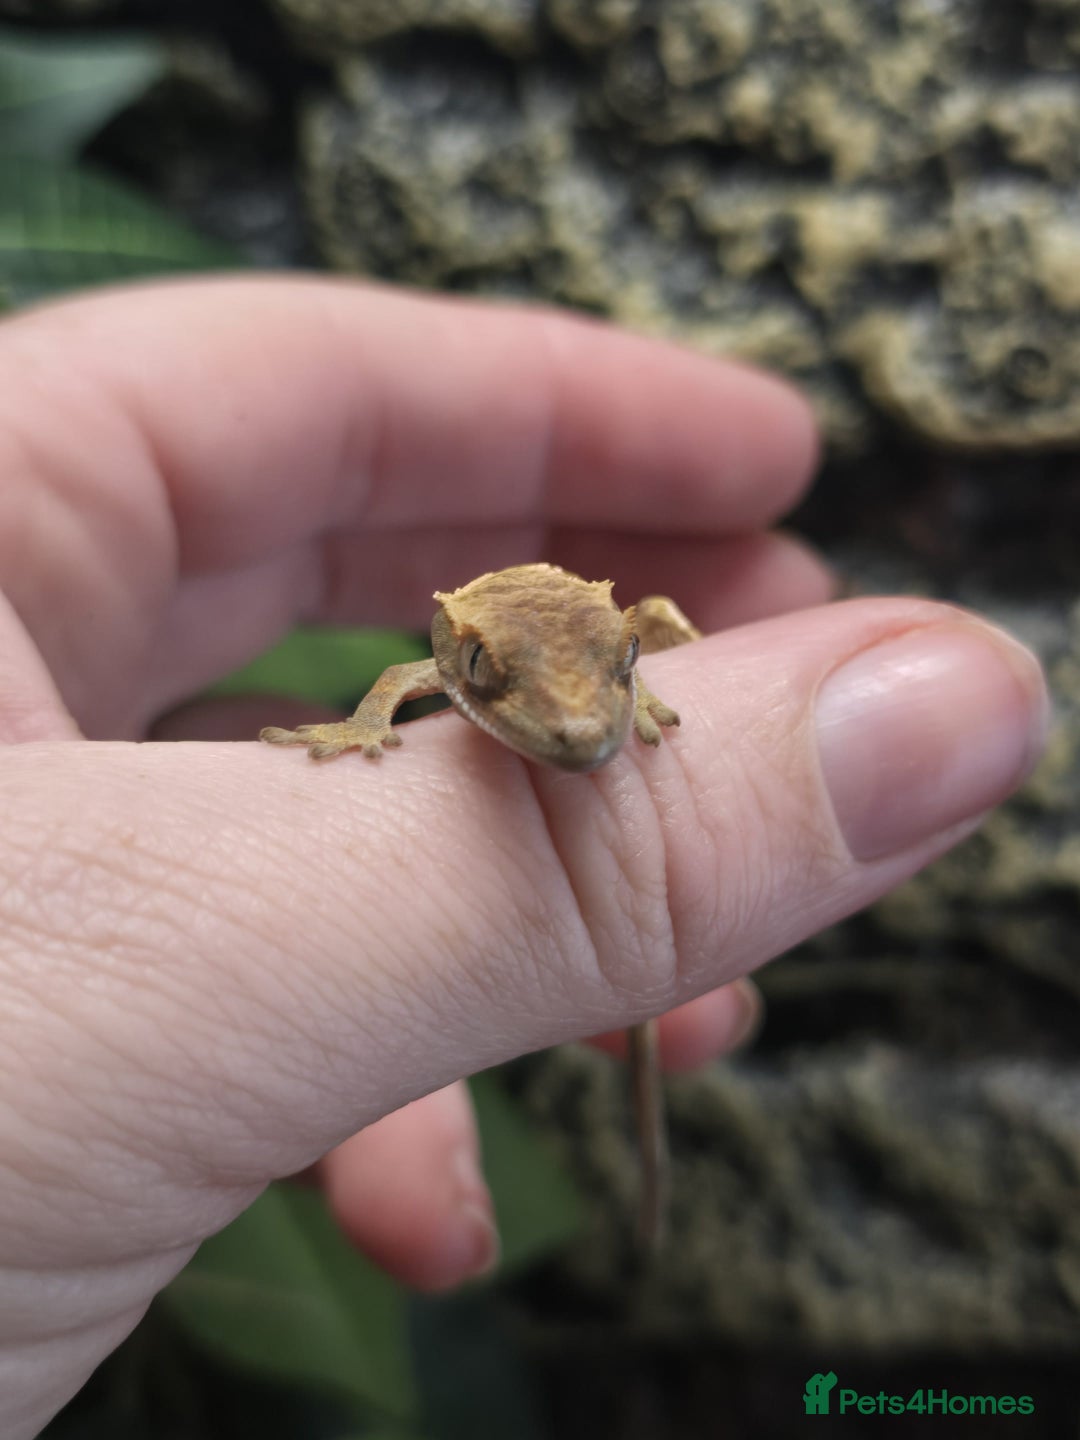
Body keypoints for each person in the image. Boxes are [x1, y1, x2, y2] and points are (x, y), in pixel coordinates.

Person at [0, 279, 1047, 1438]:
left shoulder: (615, 638)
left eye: (610, 681)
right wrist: (363, 733)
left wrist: (670, 691)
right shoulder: (445, 666)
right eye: (499, 685)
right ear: (463, 659)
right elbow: (406, 683)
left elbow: (649, 619)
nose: (580, 733)